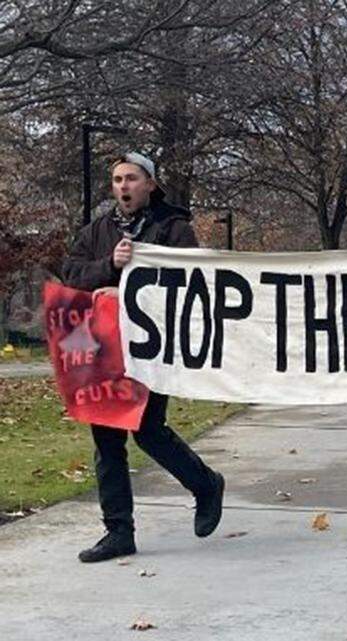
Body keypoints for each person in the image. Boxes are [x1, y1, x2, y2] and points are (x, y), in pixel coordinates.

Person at [61, 152, 225, 563]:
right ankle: (118, 531)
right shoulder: (97, 231)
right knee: (106, 436)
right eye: (117, 180)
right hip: (104, 348)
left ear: (149, 184)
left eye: (131, 179)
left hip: (151, 348)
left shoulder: (173, 229)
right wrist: (107, 266)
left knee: (149, 429)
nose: (123, 187)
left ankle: (205, 485)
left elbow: (189, 283)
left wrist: (129, 293)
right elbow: (71, 275)